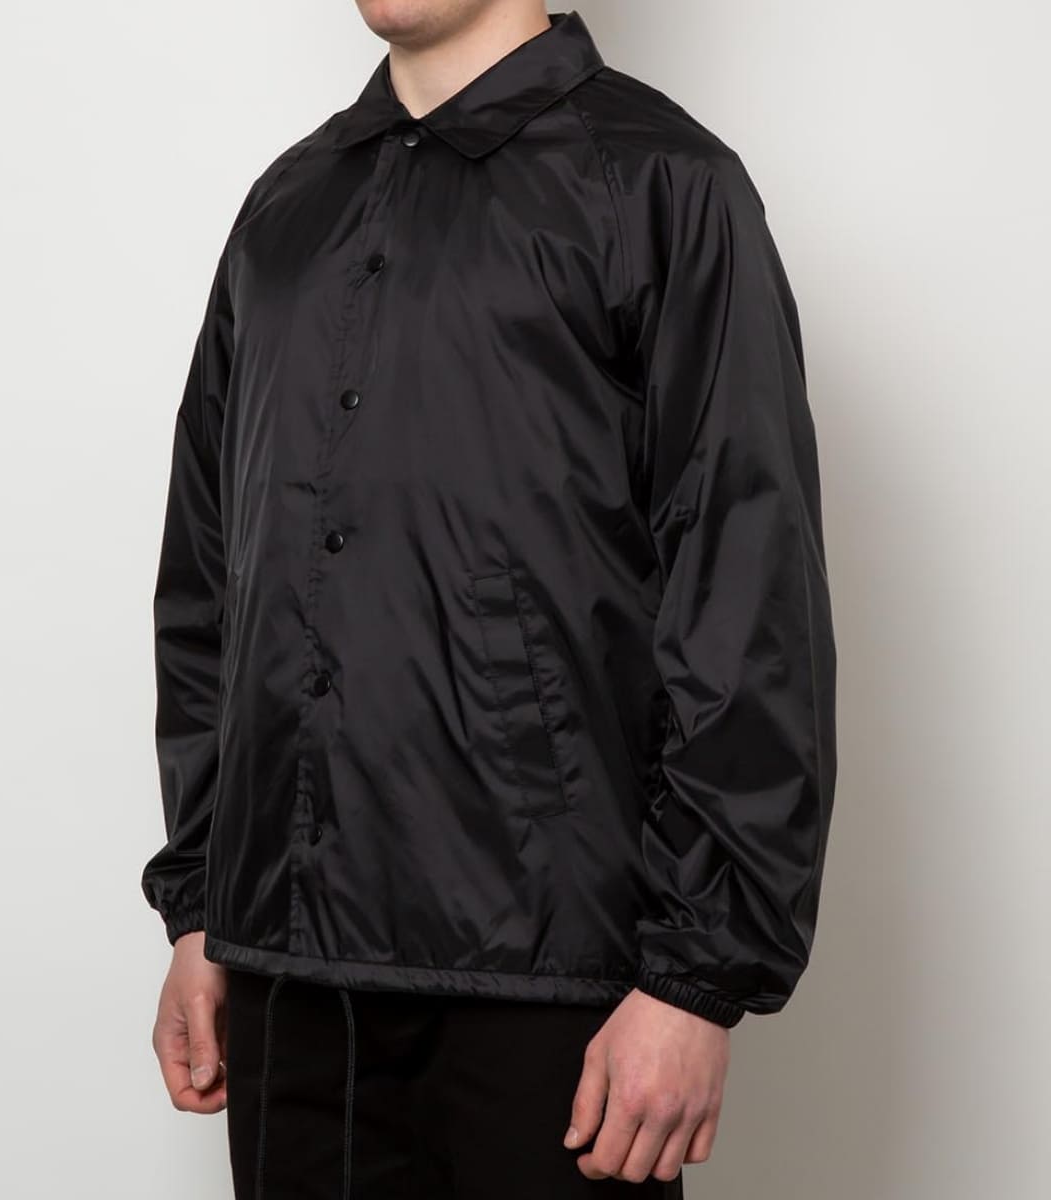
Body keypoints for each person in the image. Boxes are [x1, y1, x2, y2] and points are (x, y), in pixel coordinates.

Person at [141, 3, 838, 1196]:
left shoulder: (666, 187)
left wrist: (695, 981)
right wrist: (205, 906)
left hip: (558, 991)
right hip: (287, 980)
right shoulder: (286, 209)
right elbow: (209, 578)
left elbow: (746, 592)